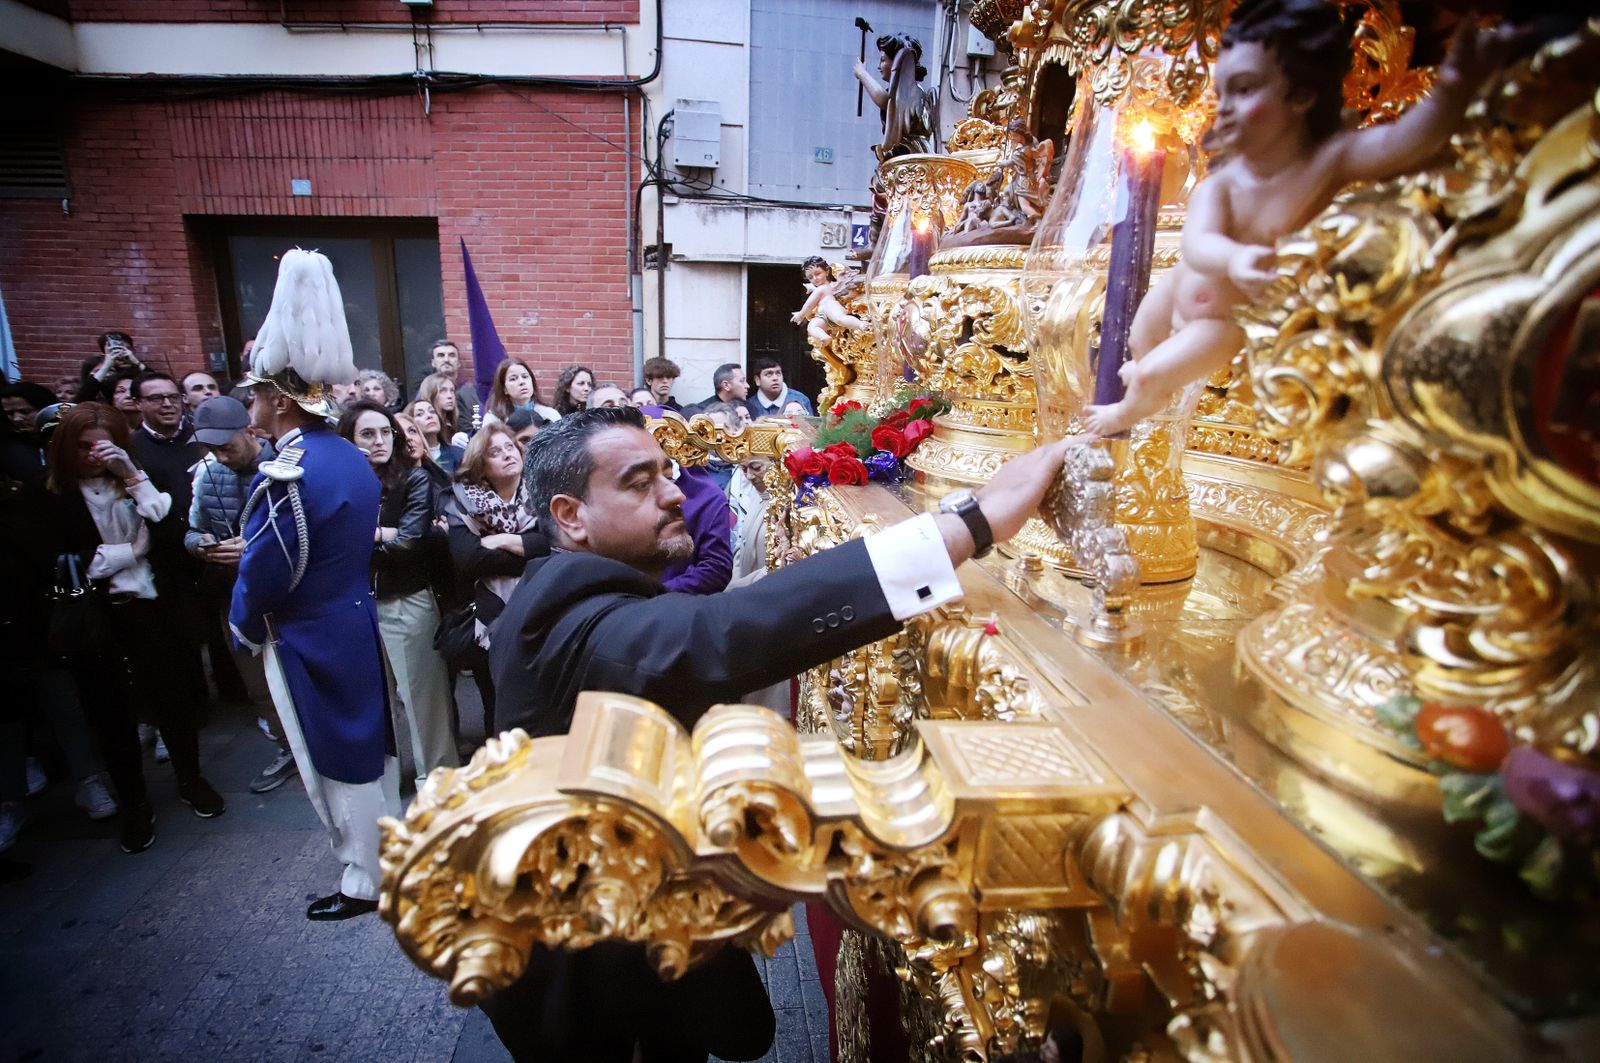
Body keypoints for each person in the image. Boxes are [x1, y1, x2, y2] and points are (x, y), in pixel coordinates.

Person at [483, 407, 1072, 1062]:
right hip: (594, 973)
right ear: (570, 515)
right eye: (638, 481)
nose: (675, 492)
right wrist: (973, 522)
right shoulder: (575, 622)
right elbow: (719, 634)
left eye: (667, 472)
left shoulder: (561, 586)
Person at [1081, 0, 1513, 437]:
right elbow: (1198, 242)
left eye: (1246, 89)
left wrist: (1455, 86)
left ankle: (1128, 411)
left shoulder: (1326, 163)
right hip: (1178, 287)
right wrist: (1233, 260)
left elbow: (1403, 145)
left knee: (1152, 373)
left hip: (1224, 320)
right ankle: (1148, 386)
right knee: (1139, 342)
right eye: (1224, 91)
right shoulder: (1226, 180)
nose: (1224, 107)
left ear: (1303, 96)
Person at [231, 249, 400, 921]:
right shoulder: (346, 457)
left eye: (254, 392)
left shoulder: (293, 469)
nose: (249, 403)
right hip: (353, 617)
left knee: (336, 756)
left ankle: (365, 880)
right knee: (368, 747)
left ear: (276, 398)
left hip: (310, 631)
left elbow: (267, 568)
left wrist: (242, 621)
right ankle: (384, 858)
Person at [45, 403, 226, 854]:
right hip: (98, 619)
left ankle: (190, 778)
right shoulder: (53, 498)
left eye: (102, 444)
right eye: (83, 446)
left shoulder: (141, 483)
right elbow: (77, 563)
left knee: (174, 701)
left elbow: (166, 532)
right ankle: (134, 803)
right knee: (110, 715)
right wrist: (130, 551)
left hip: (154, 610)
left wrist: (130, 474)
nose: (93, 454)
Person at [340, 401, 458, 783]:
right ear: (349, 440)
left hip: (406, 600)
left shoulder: (413, 479)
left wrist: (364, 534)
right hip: (357, 604)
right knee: (375, 705)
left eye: (385, 432)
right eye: (367, 434)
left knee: (425, 705)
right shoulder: (343, 482)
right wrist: (381, 535)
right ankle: (384, 785)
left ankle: (439, 788)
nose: (379, 441)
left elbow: (408, 541)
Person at [185, 396, 295, 795]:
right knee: (257, 682)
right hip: (235, 595)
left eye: (226, 446)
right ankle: (288, 749)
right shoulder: (208, 475)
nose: (220, 455)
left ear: (249, 431)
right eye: (211, 448)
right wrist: (204, 546)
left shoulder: (288, 465)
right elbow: (191, 530)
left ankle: (319, 746)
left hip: (288, 596)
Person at [443, 423, 548, 740]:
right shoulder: (462, 501)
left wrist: (502, 539)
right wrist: (529, 546)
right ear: (480, 465)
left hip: (541, 607)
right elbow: (468, 560)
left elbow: (557, 544)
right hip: (488, 617)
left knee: (542, 700)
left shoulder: (545, 492)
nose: (506, 455)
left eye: (509, 447)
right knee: (498, 704)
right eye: (494, 452)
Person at [791, 258, 867, 347]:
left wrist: (801, 314)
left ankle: (861, 324)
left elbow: (809, 304)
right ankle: (824, 337)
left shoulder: (822, 289)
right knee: (812, 326)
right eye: (810, 277)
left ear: (827, 272)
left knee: (840, 319)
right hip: (822, 315)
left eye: (817, 274)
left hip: (831, 307)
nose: (815, 278)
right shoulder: (822, 288)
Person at [423, 339, 483, 430]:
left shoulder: (472, 393)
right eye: (441, 355)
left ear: (459, 363)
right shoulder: (423, 392)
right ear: (433, 363)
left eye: (451, 355)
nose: (446, 359)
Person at [486, 357, 559, 425]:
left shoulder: (550, 415)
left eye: (525, 376)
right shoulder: (494, 419)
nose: (521, 382)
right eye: (513, 379)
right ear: (504, 389)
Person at [405, 397, 464, 474]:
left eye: (432, 411)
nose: (429, 416)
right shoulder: (408, 460)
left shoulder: (459, 454)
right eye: (420, 414)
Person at [745, 357, 814, 418]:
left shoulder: (801, 399)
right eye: (769, 374)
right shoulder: (750, 405)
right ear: (757, 380)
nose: (775, 378)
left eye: (778, 373)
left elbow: (811, 429)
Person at [418, 371, 470, 448]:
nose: (450, 396)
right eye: (443, 391)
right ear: (431, 393)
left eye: (452, 390)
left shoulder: (458, 422)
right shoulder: (427, 424)